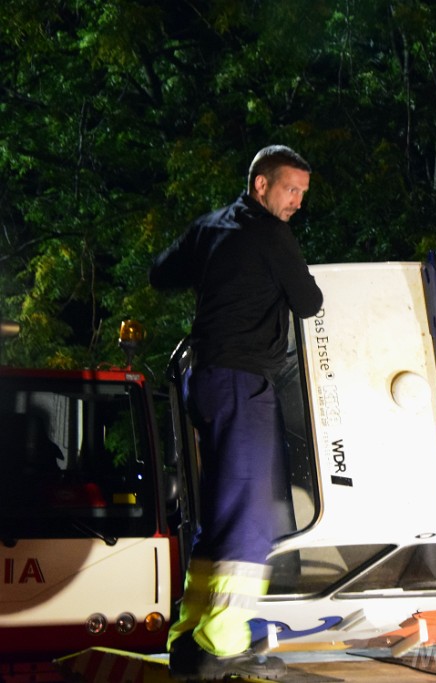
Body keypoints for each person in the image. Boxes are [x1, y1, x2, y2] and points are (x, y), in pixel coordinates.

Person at [150, 145, 323, 680]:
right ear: (261, 186)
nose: (296, 202)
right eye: (290, 189)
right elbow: (309, 301)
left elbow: (161, 273)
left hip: (202, 382)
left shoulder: (211, 227)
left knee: (220, 514)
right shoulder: (270, 233)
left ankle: (188, 634)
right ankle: (222, 638)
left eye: (302, 193)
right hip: (242, 382)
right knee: (250, 515)